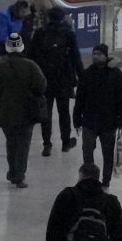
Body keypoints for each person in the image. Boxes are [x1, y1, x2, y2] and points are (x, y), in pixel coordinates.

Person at [0, 32, 47, 188]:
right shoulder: (31, 66)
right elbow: (41, 86)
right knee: (23, 145)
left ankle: (12, 171)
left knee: (11, 143)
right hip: (27, 112)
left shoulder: (0, 66)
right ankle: (19, 176)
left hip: (5, 111)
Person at [28, 9, 82, 157]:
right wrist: (82, 77)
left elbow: (31, 56)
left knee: (46, 112)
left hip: (45, 79)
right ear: (63, 18)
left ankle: (47, 144)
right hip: (63, 79)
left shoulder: (40, 33)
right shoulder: (68, 33)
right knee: (64, 111)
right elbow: (76, 57)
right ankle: (65, 142)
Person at [74, 45, 122, 182]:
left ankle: (106, 179)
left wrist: (121, 120)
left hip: (109, 122)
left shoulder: (115, 74)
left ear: (105, 55)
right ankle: (89, 178)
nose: (95, 56)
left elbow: (121, 98)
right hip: (89, 121)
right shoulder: (87, 74)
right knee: (87, 151)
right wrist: (77, 118)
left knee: (108, 154)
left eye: (98, 53)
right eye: (94, 54)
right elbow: (80, 97)